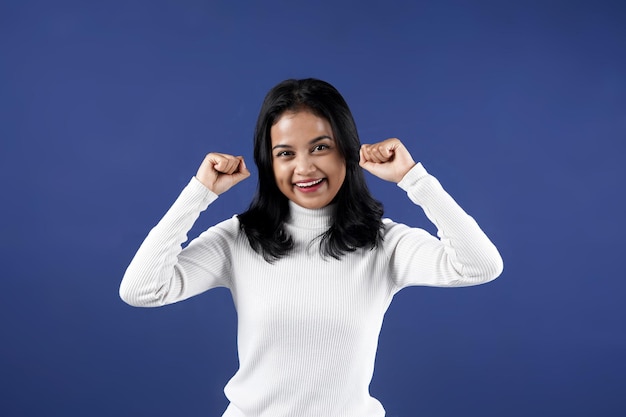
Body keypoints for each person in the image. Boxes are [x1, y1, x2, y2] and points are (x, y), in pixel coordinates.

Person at [119, 78, 503, 417]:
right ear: (269, 163)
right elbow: (141, 290)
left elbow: (479, 266)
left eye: (320, 147)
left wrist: (413, 178)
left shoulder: (383, 243)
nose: (304, 168)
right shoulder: (240, 238)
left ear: (348, 152)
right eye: (285, 153)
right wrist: (199, 193)